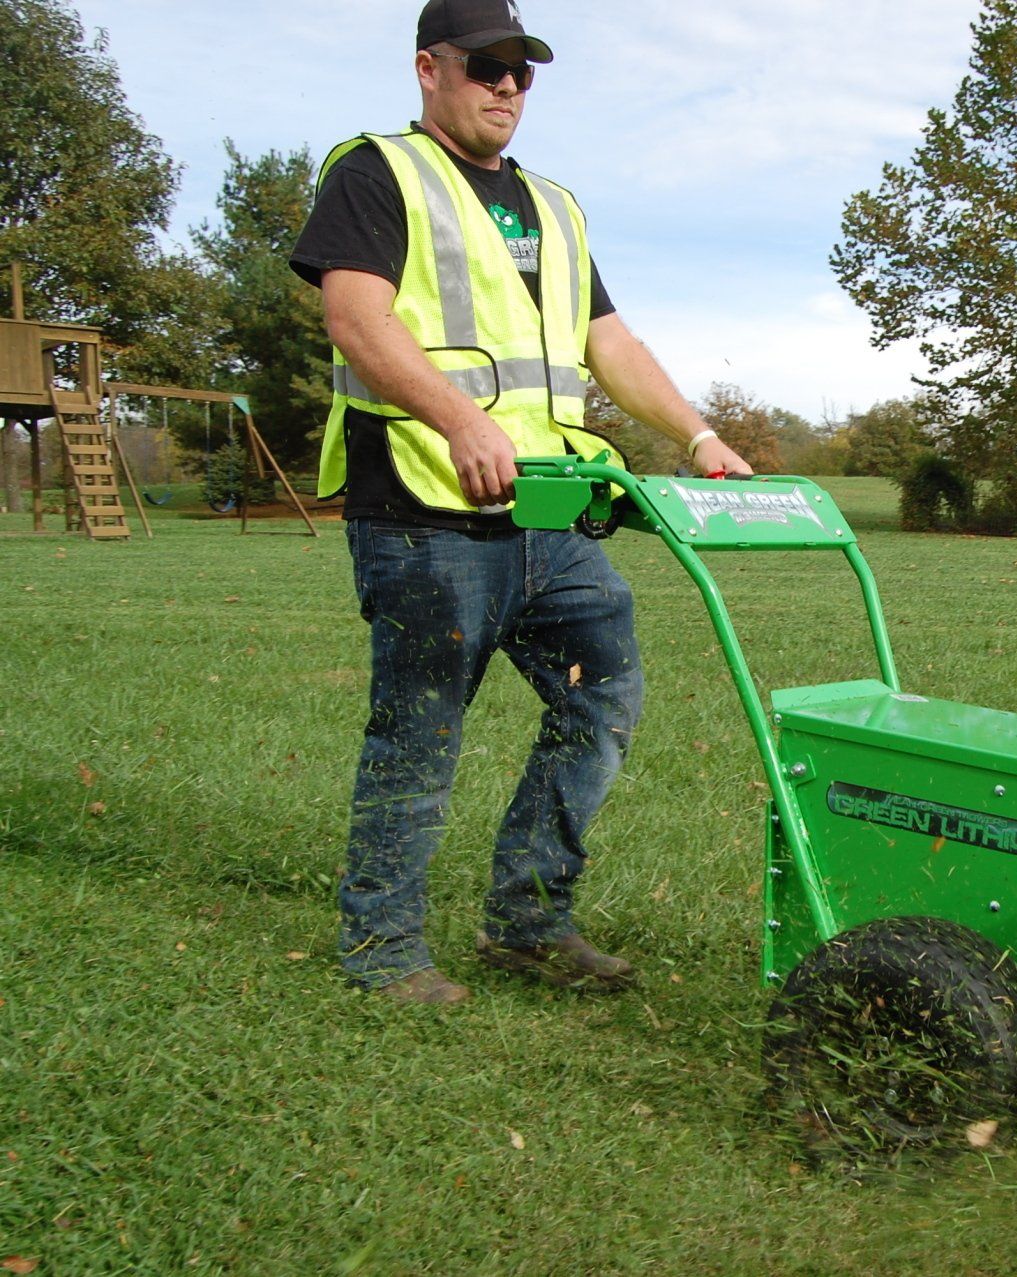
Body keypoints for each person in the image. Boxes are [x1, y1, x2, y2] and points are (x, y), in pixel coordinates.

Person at [290, 0, 751, 1005]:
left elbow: (610, 344)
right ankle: (381, 948)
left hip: (546, 514)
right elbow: (355, 317)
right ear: (430, 68)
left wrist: (698, 433)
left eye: (523, 70)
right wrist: (457, 419)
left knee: (604, 687)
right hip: (424, 512)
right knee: (418, 729)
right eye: (486, 65)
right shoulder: (378, 174)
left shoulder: (553, 206)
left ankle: (529, 919)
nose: (506, 86)